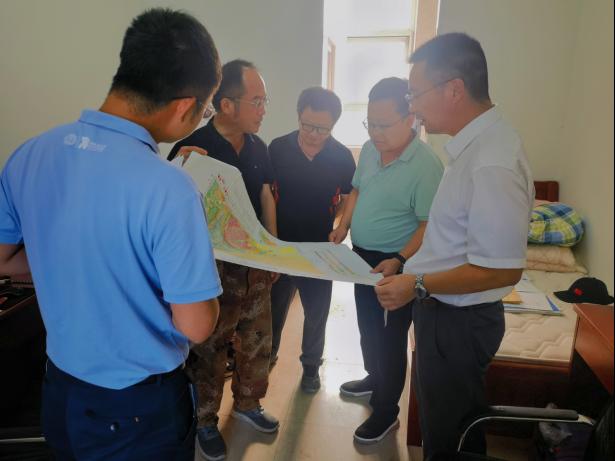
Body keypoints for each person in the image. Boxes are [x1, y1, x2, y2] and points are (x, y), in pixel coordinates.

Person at [0, 9, 222, 460]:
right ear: (185, 106)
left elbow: (4, 260)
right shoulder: (170, 188)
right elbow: (196, 325)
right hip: (136, 410)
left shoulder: (30, 153)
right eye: (207, 108)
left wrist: (76, 264)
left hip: (61, 391)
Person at [374, 33, 534, 457]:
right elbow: (451, 237)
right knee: (444, 427)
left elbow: (501, 269)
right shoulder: (471, 148)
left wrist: (417, 284)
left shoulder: (492, 161)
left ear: (454, 89)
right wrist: (407, 267)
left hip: (459, 322)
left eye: (415, 94)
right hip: (443, 311)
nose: (412, 107)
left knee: (451, 438)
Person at [168, 59, 279, 461]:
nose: (263, 109)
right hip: (212, 271)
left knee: (257, 338)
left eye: (264, 101)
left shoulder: (258, 147)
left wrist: (273, 251)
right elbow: (173, 214)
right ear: (227, 104)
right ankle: (204, 420)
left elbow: (266, 196)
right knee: (210, 347)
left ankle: (249, 403)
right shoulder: (193, 149)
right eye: (257, 101)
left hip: (254, 265)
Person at [329, 77, 444, 444]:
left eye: (383, 125)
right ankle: (374, 377)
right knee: (367, 325)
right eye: (370, 123)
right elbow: (356, 189)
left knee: (390, 336)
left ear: (410, 118)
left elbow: (428, 224)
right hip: (362, 256)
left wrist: (399, 258)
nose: (375, 133)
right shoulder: (369, 149)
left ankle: (386, 411)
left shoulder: (426, 165)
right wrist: (343, 227)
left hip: (397, 263)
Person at [269, 87, 356, 392]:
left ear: (333, 126)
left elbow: (350, 195)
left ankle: (310, 368)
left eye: (322, 129)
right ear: (298, 116)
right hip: (282, 246)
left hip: (320, 247)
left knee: (316, 312)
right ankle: (267, 358)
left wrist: (341, 225)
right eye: (307, 125)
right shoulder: (278, 148)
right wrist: (271, 239)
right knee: (273, 310)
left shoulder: (341, 156)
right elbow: (266, 191)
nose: (313, 135)